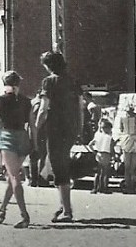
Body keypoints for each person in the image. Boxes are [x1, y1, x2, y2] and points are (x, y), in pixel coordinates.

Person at [0, 71, 33, 228]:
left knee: (14, 177)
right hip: (23, 137)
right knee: (12, 177)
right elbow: (32, 124)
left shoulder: (1, 100)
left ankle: (25, 215)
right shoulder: (26, 101)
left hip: (8, 136)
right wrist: (35, 143)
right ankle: (2, 210)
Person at [35, 50, 81, 223]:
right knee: (61, 164)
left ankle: (67, 211)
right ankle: (63, 205)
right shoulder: (73, 80)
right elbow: (80, 107)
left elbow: (44, 108)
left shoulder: (49, 82)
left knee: (58, 166)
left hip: (55, 128)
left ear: (49, 65)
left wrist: (35, 126)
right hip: (71, 128)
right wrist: (79, 128)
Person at [116, 105, 136, 193]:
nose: (129, 113)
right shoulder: (122, 118)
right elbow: (121, 129)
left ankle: (132, 185)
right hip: (126, 139)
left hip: (135, 140)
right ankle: (127, 185)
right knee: (127, 165)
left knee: (133, 165)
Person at [90, 118, 114, 194]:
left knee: (98, 172)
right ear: (108, 129)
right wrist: (114, 156)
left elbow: (90, 144)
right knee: (105, 173)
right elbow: (111, 148)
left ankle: (95, 188)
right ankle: (104, 188)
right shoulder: (109, 138)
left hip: (98, 154)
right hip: (106, 154)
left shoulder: (97, 135)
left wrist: (94, 151)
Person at [27, 96, 46, 187]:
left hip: (35, 130)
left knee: (35, 156)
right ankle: (36, 178)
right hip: (39, 131)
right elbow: (36, 117)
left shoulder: (33, 102)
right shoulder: (39, 103)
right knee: (38, 155)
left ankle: (34, 178)